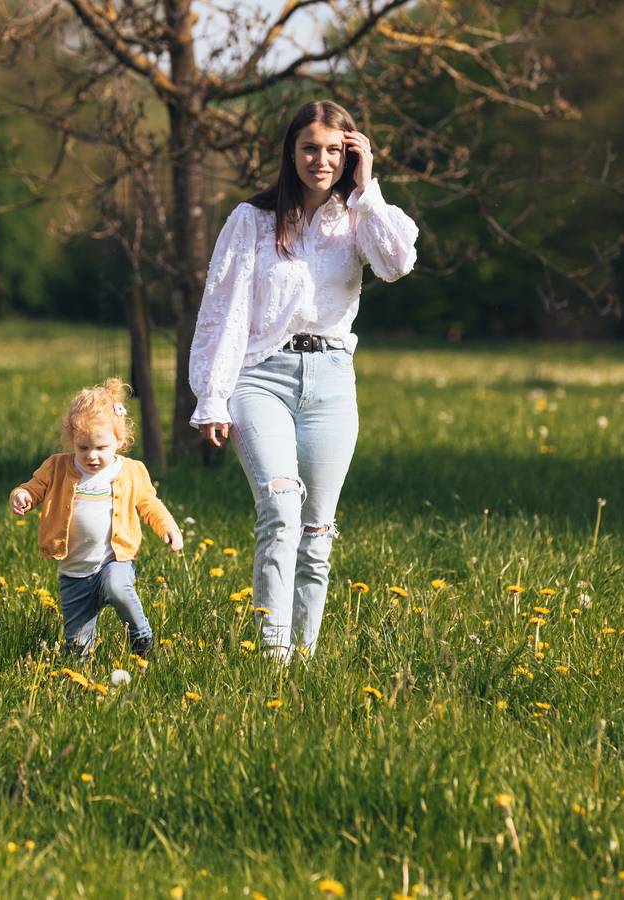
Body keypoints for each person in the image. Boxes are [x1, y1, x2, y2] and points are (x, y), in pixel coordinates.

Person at [188, 100, 419, 662]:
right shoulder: (252, 220)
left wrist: (368, 188)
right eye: (310, 148)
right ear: (291, 152)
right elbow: (224, 309)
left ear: (351, 153)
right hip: (259, 379)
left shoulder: (362, 216)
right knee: (281, 513)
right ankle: (272, 655)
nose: (322, 160)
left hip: (332, 382)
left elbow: (396, 264)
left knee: (317, 531)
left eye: (335, 150)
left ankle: (304, 661)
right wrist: (213, 396)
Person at [9, 378, 184, 659]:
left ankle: (141, 635)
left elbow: (150, 504)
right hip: (74, 574)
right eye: (83, 447)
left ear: (119, 440)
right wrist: (22, 496)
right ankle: (80, 685)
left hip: (113, 561)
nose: (92, 456)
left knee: (117, 587)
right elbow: (33, 488)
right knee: (77, 650)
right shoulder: (57, 467)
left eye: (101, 448)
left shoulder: (130, 471)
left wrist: (168, 528)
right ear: (72, 441)